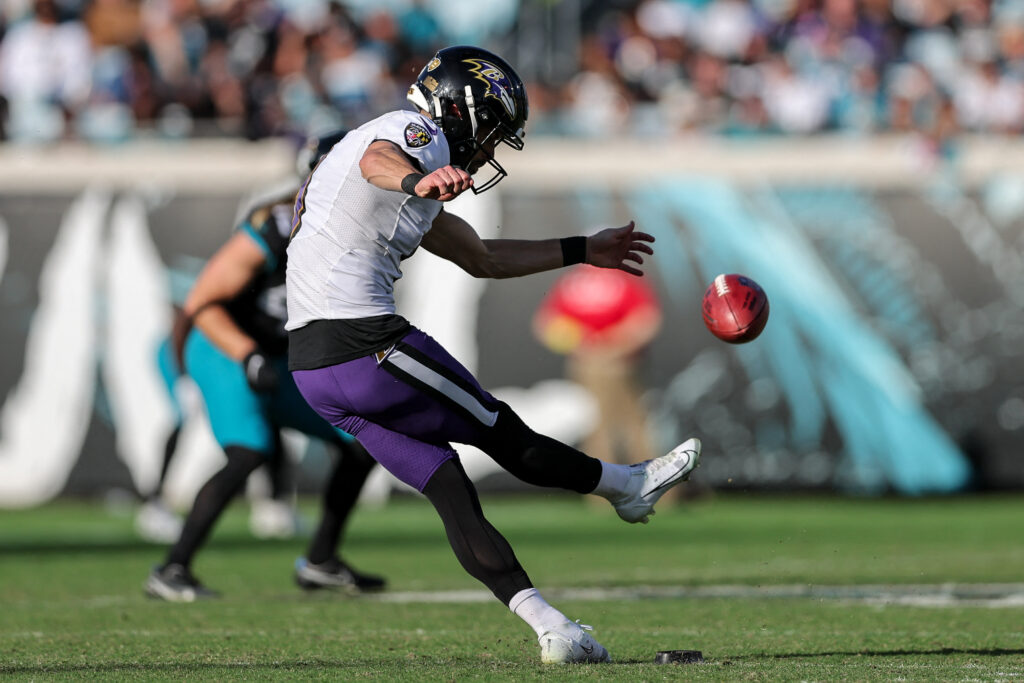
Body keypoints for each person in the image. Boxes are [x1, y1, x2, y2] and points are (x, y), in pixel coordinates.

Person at [285, 45, 702, 664]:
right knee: (499, 430)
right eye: (493, 131)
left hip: (315, 370)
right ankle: (625, 485)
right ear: (463, 111)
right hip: (365, 345)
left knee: (450, 487)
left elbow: (483, 258)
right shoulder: (403, 136)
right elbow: (382, 159)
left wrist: (583, 248)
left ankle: (552, 628)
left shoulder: (398, 173)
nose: (490, 150)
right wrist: (415, 176)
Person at [145, 131, 385, 601]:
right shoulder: (277, 222)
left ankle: (320, 560)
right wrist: (239, 357)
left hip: (279, 355)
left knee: (363, 438)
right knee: (248, 452)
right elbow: (201, 301)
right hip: (226, 348)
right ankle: (172, 568)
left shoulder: (366, 230)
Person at [532, 265, 663, 475]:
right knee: (633, 426)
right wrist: (616, 343)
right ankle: (650, 483)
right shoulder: (623, 277)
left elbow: (546, 324)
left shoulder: (572, 280)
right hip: (618, 360)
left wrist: (581, 343)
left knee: (598, 427)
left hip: (592, 361)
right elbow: (647, 319)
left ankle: (604, 488)